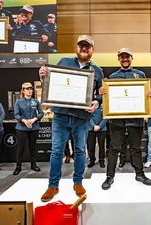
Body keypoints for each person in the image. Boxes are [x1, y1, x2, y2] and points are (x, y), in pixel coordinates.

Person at [39, 35, 103, 202]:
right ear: (76, 47)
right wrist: (43, 76)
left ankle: (78, 182)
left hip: (82, 117)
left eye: (87, 46)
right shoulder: (63, 62)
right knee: (57, 151)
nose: (84, 48)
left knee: (81, 150)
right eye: (81, 45)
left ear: (92, 50)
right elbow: (50, 83)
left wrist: (96, 102)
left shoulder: (98, 70)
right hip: (60, 115)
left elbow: (101, 95)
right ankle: (53, 186)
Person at [101, 48, 151, 190]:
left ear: (131, 58)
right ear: (118, 59)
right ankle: (109, 176)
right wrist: (103, 93)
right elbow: (104, 99)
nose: (124, 59)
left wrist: (149, 95)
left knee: (136, 148)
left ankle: (140, 174)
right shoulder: (112, 77)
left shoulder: (140, 74)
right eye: (122, 57)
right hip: (117, 119)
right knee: (114, 148)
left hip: (135, 119)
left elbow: (145, 96)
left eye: (127, 57)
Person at [13, 82, 44, 175]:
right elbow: (16, 115)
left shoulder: (36, 101)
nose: (30, 90)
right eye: (27, 89)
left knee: (33, 147)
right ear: (23, 90)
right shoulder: (18, 102)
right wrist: (25, 121)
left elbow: (41, 113)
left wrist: (34, 119)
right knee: (21, 148)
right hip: (21, 128)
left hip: (34, 127)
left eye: (31, 88)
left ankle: (33, 165)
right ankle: (18, 166)